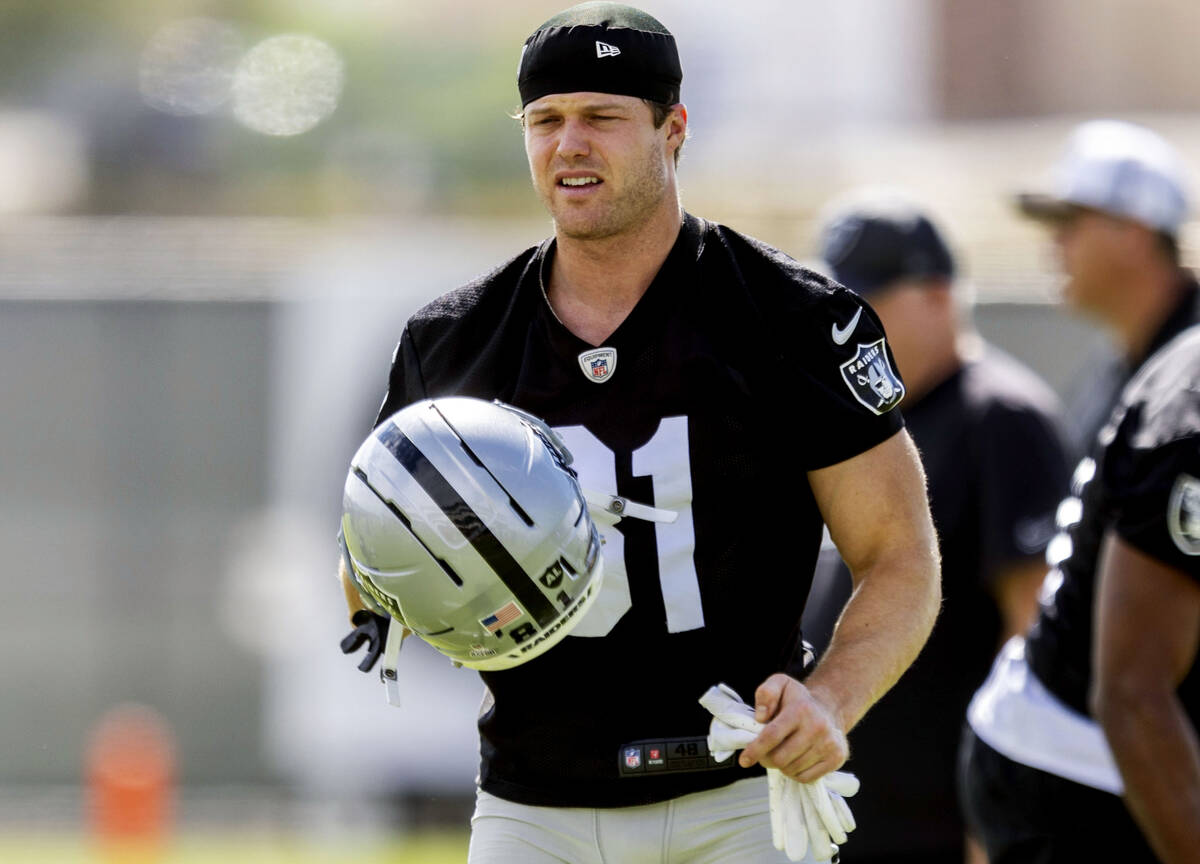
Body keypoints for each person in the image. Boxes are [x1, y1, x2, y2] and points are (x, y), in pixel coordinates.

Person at [338, 5, 940, 862]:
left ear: (673, 129)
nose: (570, 144)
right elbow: (372, 551)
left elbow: (900, 556)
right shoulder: (454, 340)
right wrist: (392, 591)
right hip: (533, 806)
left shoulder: (791, 320)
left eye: (602, 116)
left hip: (740, 794)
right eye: (545, 120)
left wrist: (831, 700)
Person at [801, 196, 1071, 864]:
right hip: (857, 819)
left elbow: (1034, 630)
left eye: (865, 306)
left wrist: (1000, 814)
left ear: (937, 295)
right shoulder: (868, 418)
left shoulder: (1000, 417)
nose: (843, 328)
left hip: (946, 825)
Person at [961, 119, 1200, 863]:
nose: (1053, 244)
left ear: (1135, 232)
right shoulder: (1177, 396)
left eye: (1071, 222)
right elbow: (1131, 692)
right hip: (1075, 760)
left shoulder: (1163, 369)